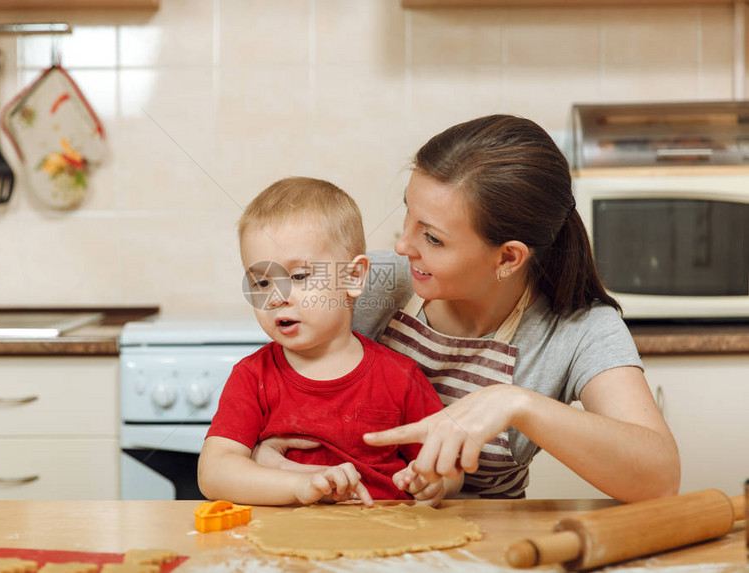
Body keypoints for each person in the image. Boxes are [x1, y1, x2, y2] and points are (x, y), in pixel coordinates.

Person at [252, 116, 680, 502]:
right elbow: (265, 398)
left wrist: (518, 405)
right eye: (409, 214)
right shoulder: (370, 285)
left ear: (508, 258)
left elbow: (659, 478)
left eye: (432, 239)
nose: (402, 246)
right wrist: (265, 457)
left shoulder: (578, 329)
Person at [197, 177, 463, 507]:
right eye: (262, 281)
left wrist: (434, 483)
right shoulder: (252, 376)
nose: (277, 297)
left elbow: (448, 467)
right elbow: (214, 472)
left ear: (353, 277)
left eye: (298, 277)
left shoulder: (400, 375)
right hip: (287, 547)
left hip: (382, 544)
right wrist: (298, 485)